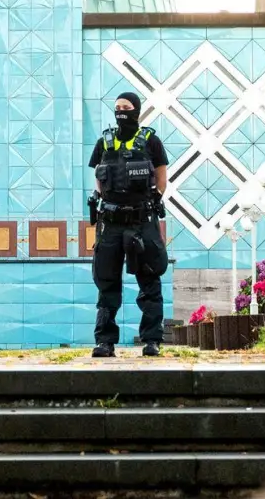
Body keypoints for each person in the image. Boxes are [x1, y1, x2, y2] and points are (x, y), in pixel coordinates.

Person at [87, 91, 170, 358]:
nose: (121, 111)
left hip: (141, 220)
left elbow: (161, 176)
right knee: (107, 282)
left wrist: (155, 198)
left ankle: (152, 340)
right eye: (117, 107)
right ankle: (105, 342)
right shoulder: (104, 141)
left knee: (149, 279)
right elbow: (98, 177)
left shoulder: (151, 141)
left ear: (136, 110)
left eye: (127, 107)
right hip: (110, 222)